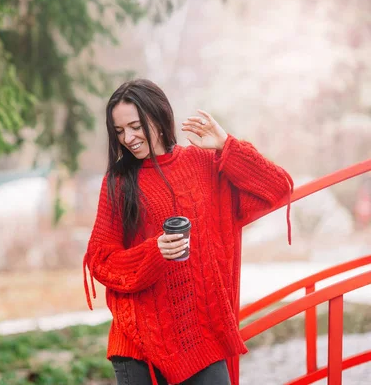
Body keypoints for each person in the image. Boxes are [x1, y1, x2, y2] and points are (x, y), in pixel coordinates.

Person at [82, 79, 293, 385]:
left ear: (158, 116)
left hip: (201, 337)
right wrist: (154, 253)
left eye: (135, 126)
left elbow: (277, 186)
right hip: (139, 344)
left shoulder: (205, 164)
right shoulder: (118, 181)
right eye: (119, 131)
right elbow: (101, 260)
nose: (128, 138)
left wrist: (227, 146)